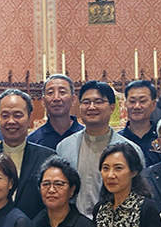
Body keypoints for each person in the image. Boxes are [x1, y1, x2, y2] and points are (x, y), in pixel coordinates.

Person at [57, 81, 145, 218]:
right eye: (86, 102)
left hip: (117, 223)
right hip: (75, 226)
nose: (91, 107)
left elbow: (139, 192)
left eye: (98, 101)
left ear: (112, 107)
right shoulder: (64, 147)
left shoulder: (131, 149)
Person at [0, 89, 54, 219]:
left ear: (29, 118)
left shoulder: (47, 158)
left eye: (17, 115)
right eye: (5, 116)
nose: (11, 121)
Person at [28, 74, 82, 150]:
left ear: (73, 100)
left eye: (62, 92)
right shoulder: (33, 141)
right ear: (43, 101)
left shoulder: (85, 136)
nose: (56, 98)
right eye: (50, 93)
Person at [119, 80, 161, 166]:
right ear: (125, 104)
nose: (137, 106)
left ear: (153, 104)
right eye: (132, 101)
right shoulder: (118, 140)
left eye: (142, 101)